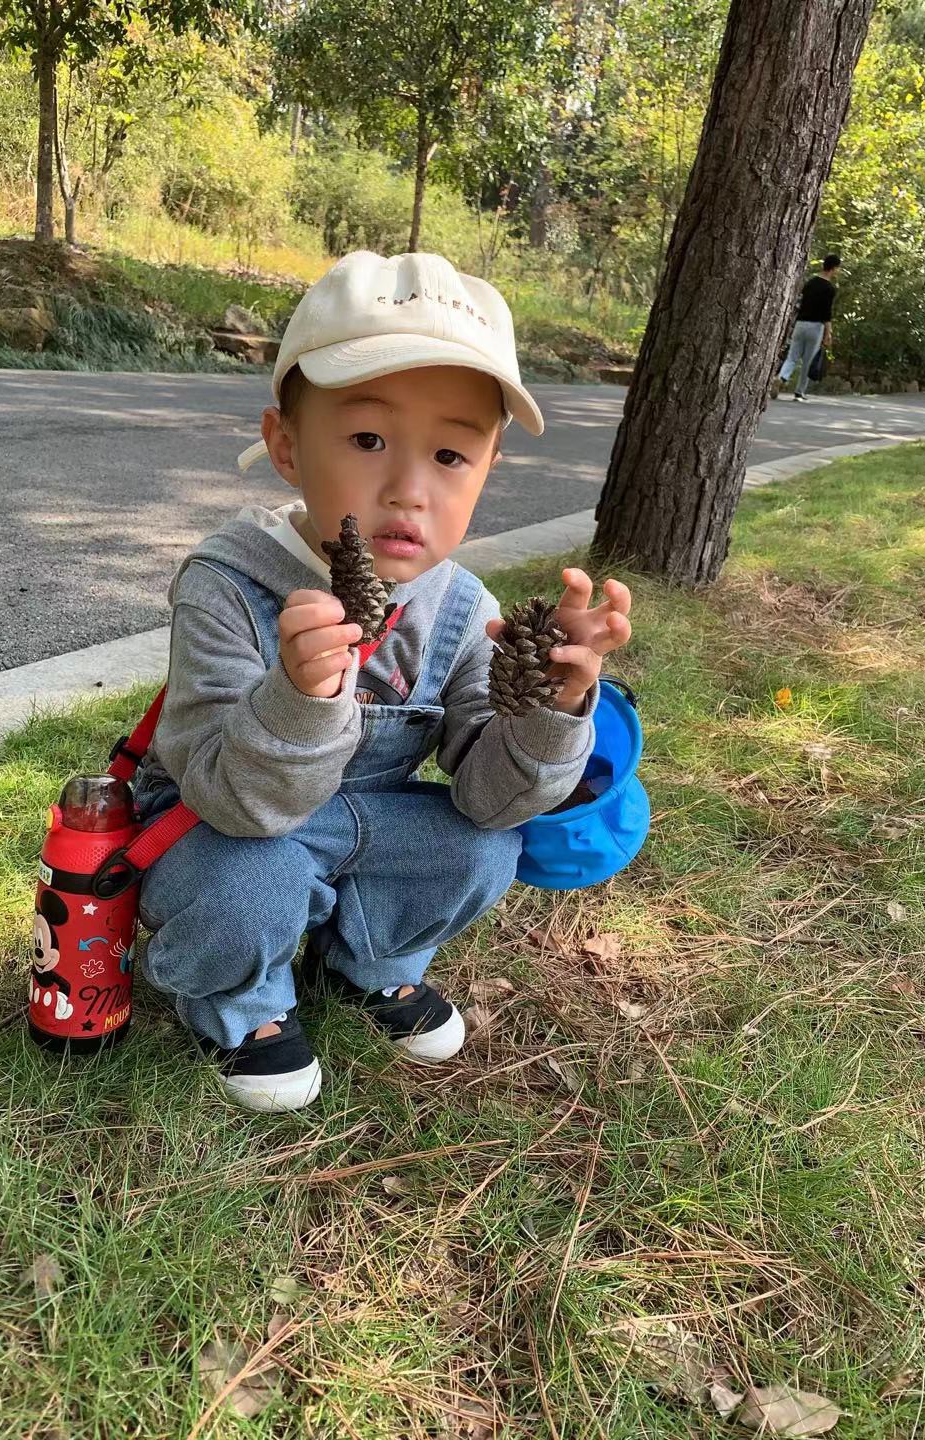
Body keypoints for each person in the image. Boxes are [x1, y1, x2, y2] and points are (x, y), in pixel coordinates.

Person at [132, 250, 633, 1112]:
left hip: (362, 820)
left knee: (482, 848)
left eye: (450, 454)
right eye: (368, 440)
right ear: (286, 445)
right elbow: (231, 803)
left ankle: (366, 962)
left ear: (487, 469)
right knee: (245, 883)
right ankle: (237, 1002)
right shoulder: (226, 583)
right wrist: (300, 697)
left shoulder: (464, 609)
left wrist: (551, 707)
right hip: (218, 827)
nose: (409, 490)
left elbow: (489, 799)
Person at [775, 253, 841, 402]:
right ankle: (799, 392)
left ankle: (782, 377)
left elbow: (799, 303)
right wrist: (828, 334)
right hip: (816, 327)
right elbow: (827, 313)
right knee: (808, 361)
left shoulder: (810, 283)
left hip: (800, 324)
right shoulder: (830, 288)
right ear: (833, 268)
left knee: (792, 357)